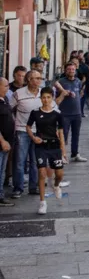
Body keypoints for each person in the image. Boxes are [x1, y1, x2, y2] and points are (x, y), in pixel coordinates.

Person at [26, 87, 65, 215]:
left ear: (52, 98)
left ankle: (56, 185)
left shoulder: (57, 114)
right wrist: (33, 137)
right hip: (41, 146)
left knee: (59, 174)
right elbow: (28, 126)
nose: (46, 100)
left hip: (54, 146)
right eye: (43, 97)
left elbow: (61, 132)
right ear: (40, 98)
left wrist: (63, 151)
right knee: (42, 173)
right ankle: (42, 202)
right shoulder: (35, 113)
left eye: (48, 97)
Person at [10, 70, 44, 198]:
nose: (38, 81)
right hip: (22, 131)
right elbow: (10, 109)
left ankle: (33, 187)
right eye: (36, 78)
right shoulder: (18, 94)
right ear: (29, 80)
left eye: (40, 78)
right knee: (20, 160)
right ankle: (18, 188)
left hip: (39, 132)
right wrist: (14, 123)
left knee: (36, 161)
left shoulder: (43, 93)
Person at [54, 63, 87, 162]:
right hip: (64, 114)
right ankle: (62, 155)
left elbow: (80, 92)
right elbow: (55, 93)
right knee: (63, 135)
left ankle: (75, 153)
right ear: (65, 71)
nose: (71, 71)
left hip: (77, 113)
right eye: (69, 69)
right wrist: (64, 92)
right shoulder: (61, 82)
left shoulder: (78, 81)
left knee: (76, 134)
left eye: (73, 69)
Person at [0, 78, 14, 206]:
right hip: (1, 143)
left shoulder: (5, 100)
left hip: (7, 142)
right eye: (5, 86)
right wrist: (2, 141)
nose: (7, 88)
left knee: (2, 170)